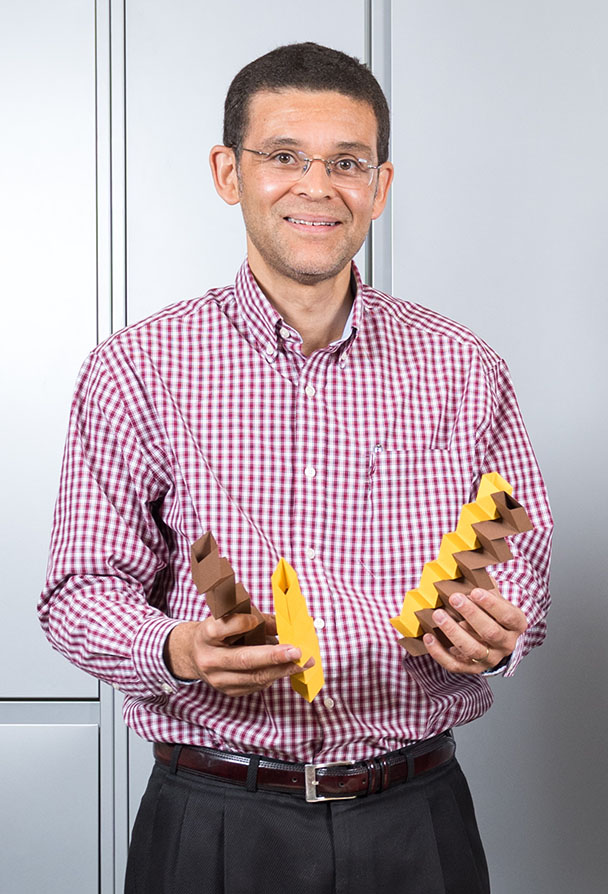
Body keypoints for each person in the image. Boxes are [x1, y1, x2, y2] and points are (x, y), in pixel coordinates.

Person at [39, 42, 552, 894]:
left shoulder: (466, 368)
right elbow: (80, 591)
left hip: (417, 815)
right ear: (227, 172)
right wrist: (175, 648)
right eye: (283, 156)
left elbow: (520, 570)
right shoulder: (137, 368)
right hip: (212, 816)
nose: (317, 187)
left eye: (347, 163)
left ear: (379, 187)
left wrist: (500, 637)